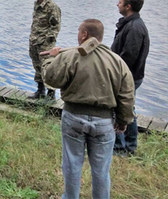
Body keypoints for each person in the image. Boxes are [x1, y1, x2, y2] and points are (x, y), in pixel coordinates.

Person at [41, 19, 134, 199]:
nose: (77, 34)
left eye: (78, 31)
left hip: (73, 118)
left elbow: (51, 78)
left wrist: (51, 58)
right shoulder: (117, 61)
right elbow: (127, 95)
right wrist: (123, 121)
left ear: (84, 35)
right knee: (101, 170)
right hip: (104, 122)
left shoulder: (70, 56)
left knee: (72, 164)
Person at [111, 0, 150, 156]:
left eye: (120, 2)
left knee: (122, 109)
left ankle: (122, 147)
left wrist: (116, 75)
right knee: (127, 108)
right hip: (129, 75)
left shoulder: (134, 27)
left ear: (128, 7)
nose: (117, 5)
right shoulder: (130, 24)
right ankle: (129, 145)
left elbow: (129, 56)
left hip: (128, 76)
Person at [27, 0, 62, 100]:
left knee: (48, 67)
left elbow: (56, 26)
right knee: (37, 66)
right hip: (34, 41)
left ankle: (51, 94)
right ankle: (40, 90)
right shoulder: (37, 4)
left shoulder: (52, 7)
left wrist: (47, 40)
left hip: (45, 44)